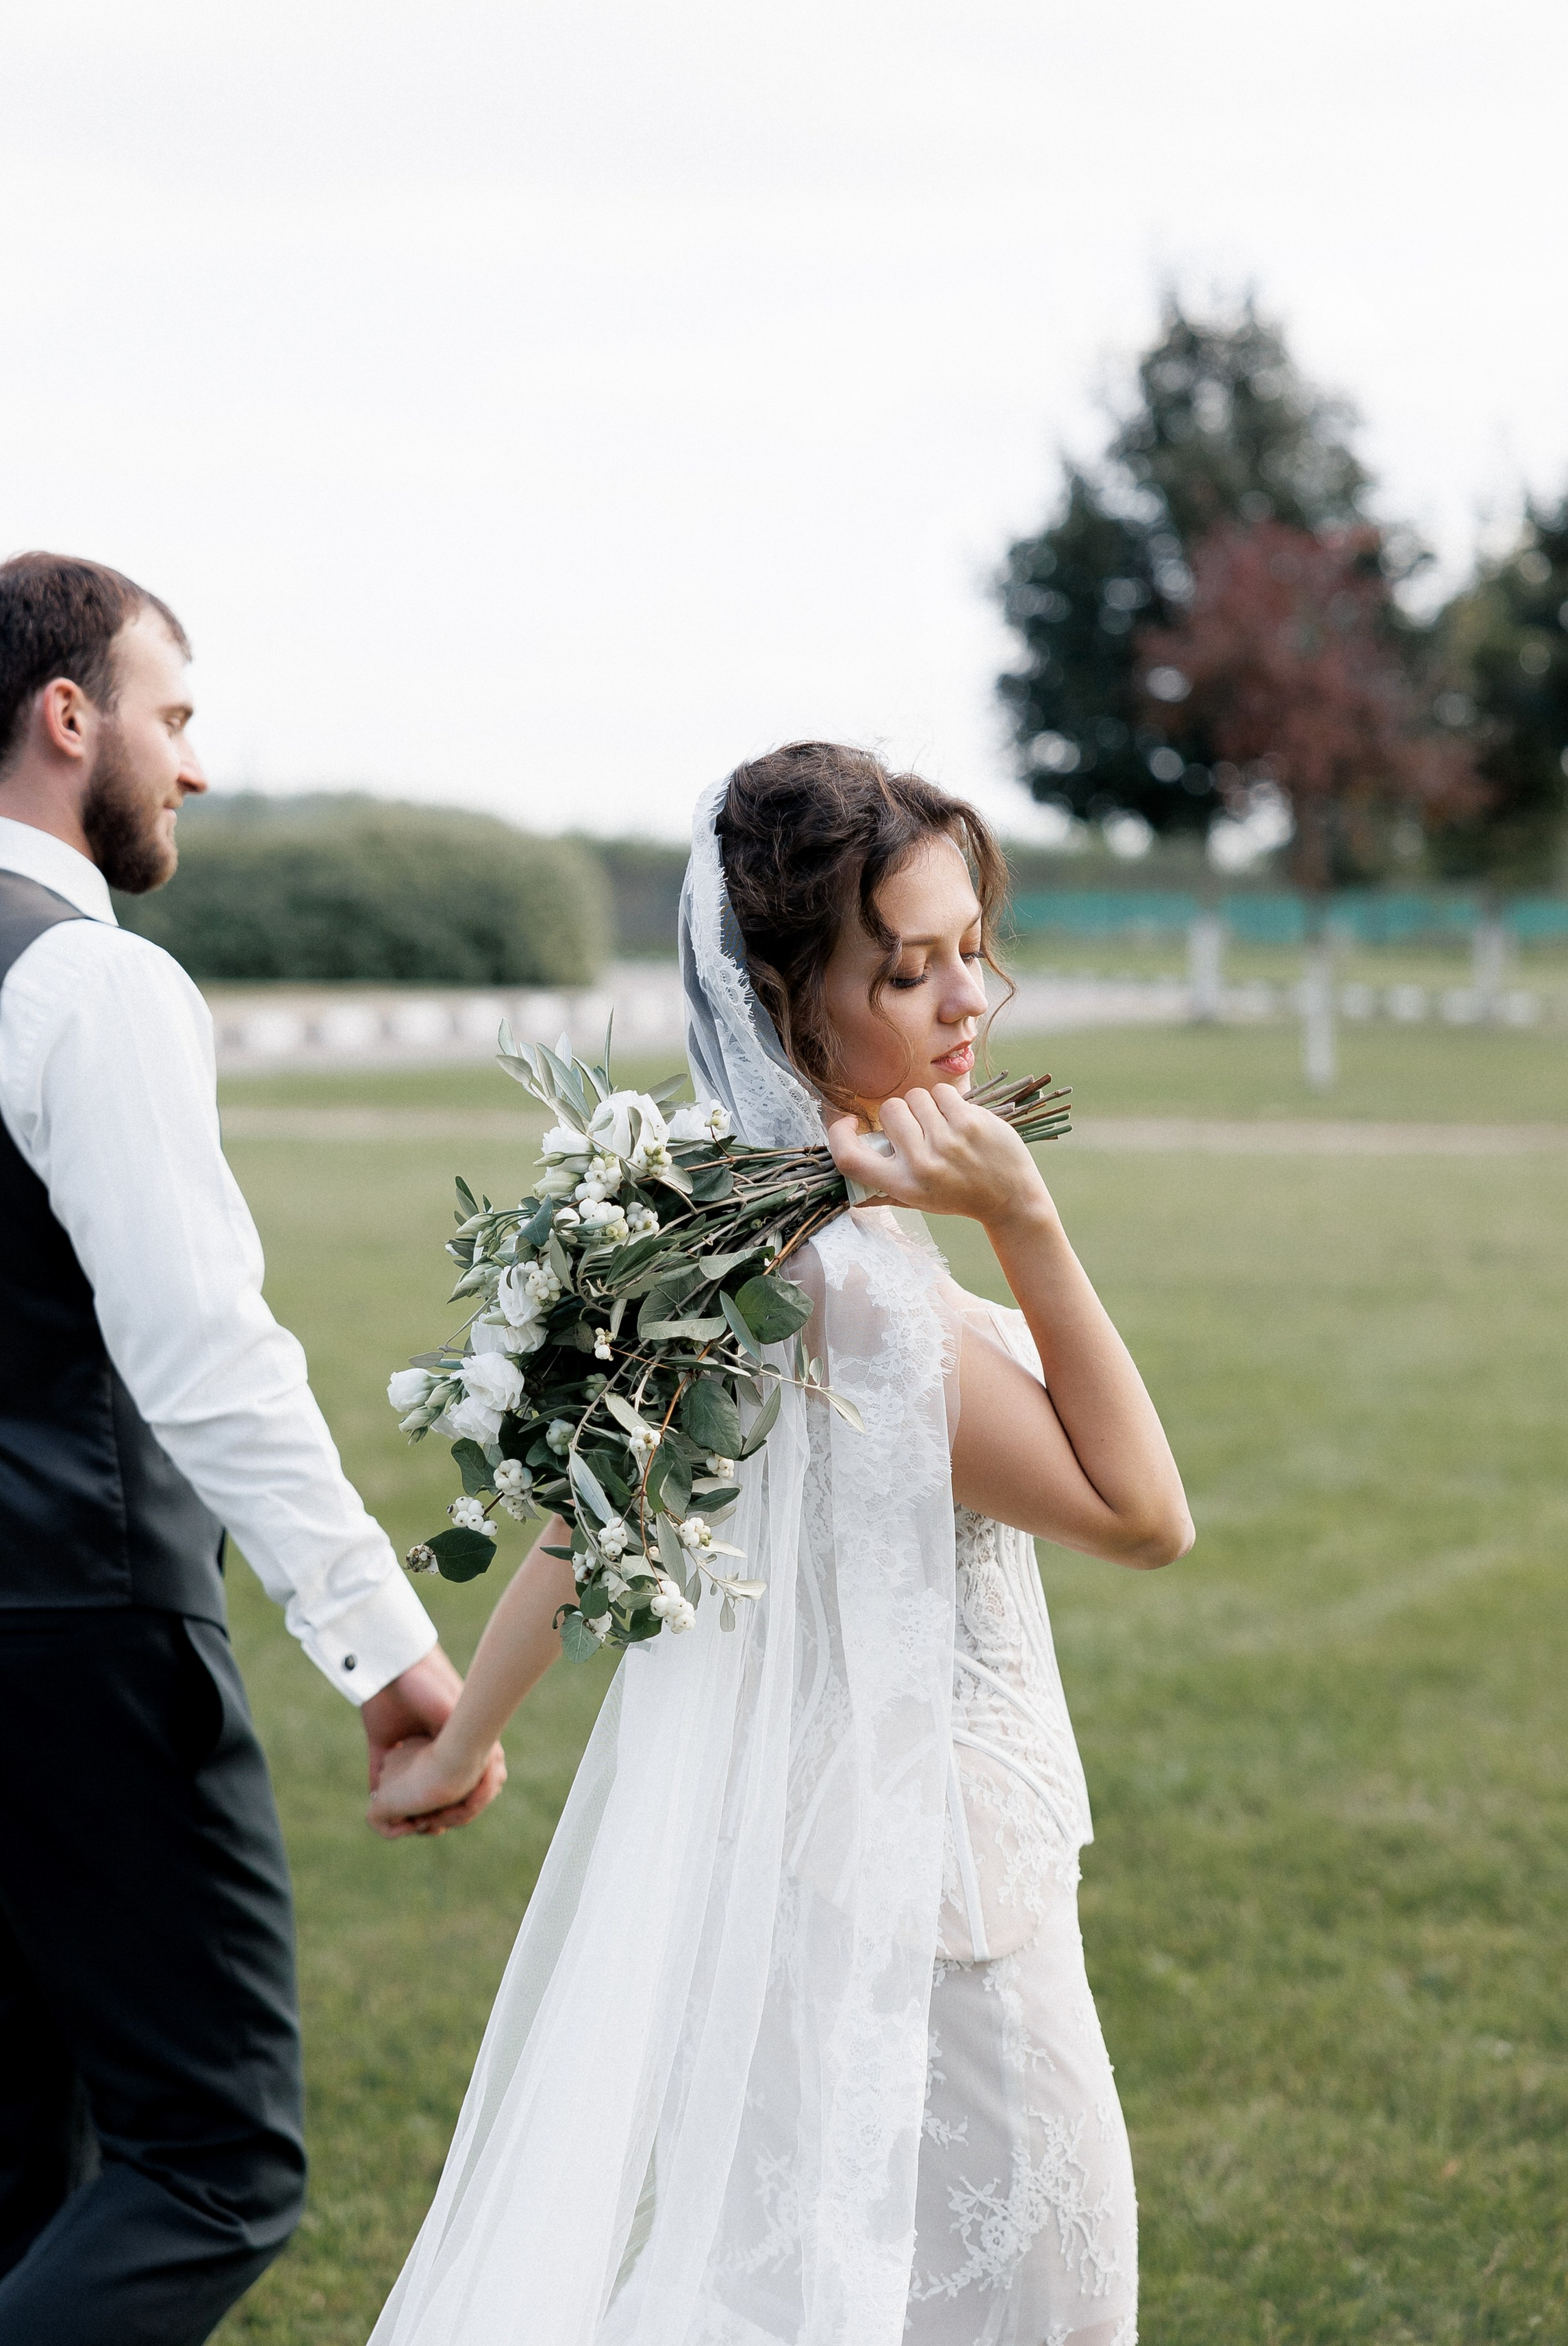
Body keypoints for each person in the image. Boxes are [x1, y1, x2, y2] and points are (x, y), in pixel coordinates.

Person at [364, 742, 1193, 2346]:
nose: (966, 1004)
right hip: (947, 1906)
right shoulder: (853, 1295)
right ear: (779, 989)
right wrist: (1025, 1219)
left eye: (971, 951)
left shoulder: (731, 1217)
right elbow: (1144, 1514)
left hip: (800, 1885)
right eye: (906, 968)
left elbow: (596, 1509)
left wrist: (460, 1745)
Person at [0, 553, 501, 2346]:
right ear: (69, 716)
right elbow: (206, 1357)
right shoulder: (89, 985)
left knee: (6, 2142)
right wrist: (384, 1644)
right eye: (172, 715)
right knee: (215, 2160)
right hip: (67, 1620)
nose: (191, 764)